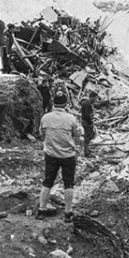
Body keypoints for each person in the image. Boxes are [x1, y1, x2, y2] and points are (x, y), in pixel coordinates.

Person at [38, 90, 81, 222]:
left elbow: (42, 135)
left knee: (47, 182)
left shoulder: (45, 118)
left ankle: (41, 210)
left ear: (53, 103)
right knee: (68, 184)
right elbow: (77, 135)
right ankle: (68, 213)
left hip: (51, 155)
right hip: (68, 155)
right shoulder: (71, 119)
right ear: (66, 104)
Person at [79, 91, 97, 157]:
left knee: (88, 135)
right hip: (86, 122)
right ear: (92, 97)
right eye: (95, 98)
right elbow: (87, 115)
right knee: (88, 136)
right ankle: (86, 152)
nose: (96, 100)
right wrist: (90, 122)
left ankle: (87, 149)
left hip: (84, 121)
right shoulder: (88, 104)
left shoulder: (86, 103)